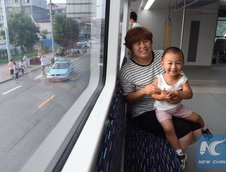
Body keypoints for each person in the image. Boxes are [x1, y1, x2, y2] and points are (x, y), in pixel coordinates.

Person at [120, 27, 202, 170]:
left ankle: (176, 151)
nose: (143, 46)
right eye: (137, 43)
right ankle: (177, 160)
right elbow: (128, 99)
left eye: (146, 41)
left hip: (171, 106)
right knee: (186, 132)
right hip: (144, 112)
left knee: (197, 131)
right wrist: (144, 91)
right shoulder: (127, 71)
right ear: (130, 47)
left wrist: (177, 96)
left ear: (151, 42)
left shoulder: (162, 56)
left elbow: (179, 78)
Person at [151, 46, 213, 169]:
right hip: (162, 110)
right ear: (162, 63)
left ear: (183, 64)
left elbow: (189, 94)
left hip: (177, 109)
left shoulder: (182, 79)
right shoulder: (158, 79)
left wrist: (177, 93)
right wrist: (162, 97)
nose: (174, 67)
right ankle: (179, 153)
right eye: (170, 63)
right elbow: (153, 94)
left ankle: (205, 128)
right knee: (169, 128)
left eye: (178, 63)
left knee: (196, 117)